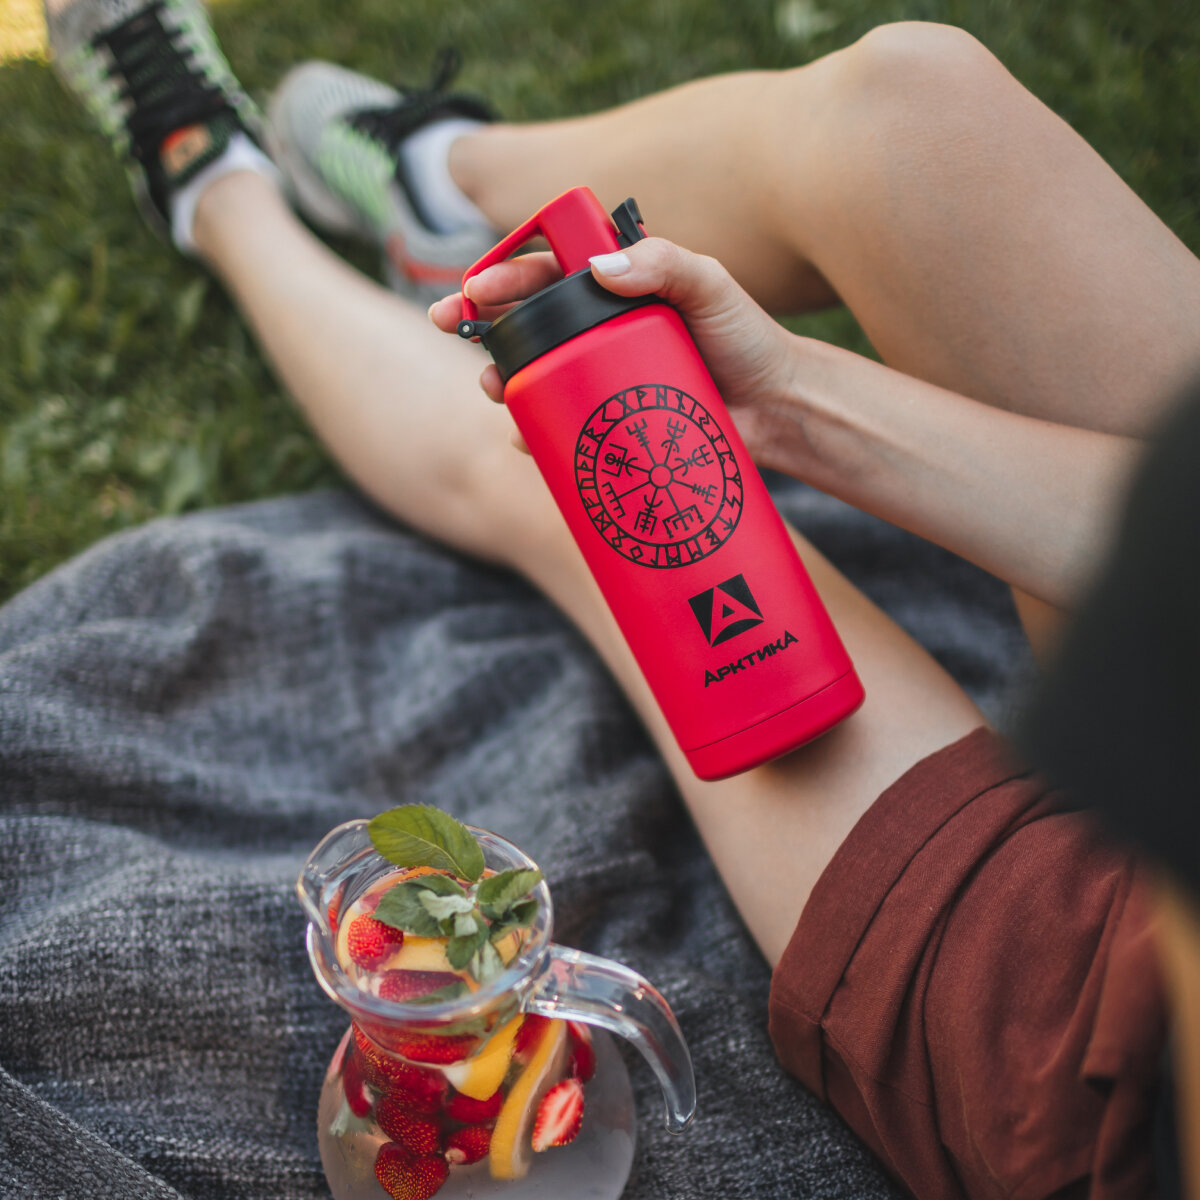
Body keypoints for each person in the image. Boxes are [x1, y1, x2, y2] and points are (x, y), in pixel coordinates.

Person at [41, 0, 1200, 1195]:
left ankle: (214, 190)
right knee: (915, 109)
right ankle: (445, 186)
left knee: (557, 488)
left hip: (1085, 1024)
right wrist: (787, 404)